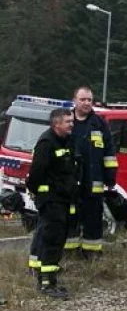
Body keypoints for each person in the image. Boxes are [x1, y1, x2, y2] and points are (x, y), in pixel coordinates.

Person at [26, 108, 79, 299]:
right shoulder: (47, 143)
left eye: (71, 121)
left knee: (58, 240)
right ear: (56, 124)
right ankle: (46, 283)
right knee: (51, 240)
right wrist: (43, 194)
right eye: (67, 122)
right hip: (51, 201)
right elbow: (36, 174)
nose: (71, 124)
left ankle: (50, 278)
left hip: (63, 199)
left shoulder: (66, 141)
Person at [68, 86, 118, 259]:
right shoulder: (67, 121)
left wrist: (110, 176)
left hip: (93, 181)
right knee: (70, 217)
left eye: (90, 100)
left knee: (93, 218)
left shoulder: (99, 123)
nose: (87, 103)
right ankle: (69, 251)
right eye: (83, 99)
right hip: (70, 181)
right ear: (74, 100)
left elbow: (109, 152)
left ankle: (92, 252)